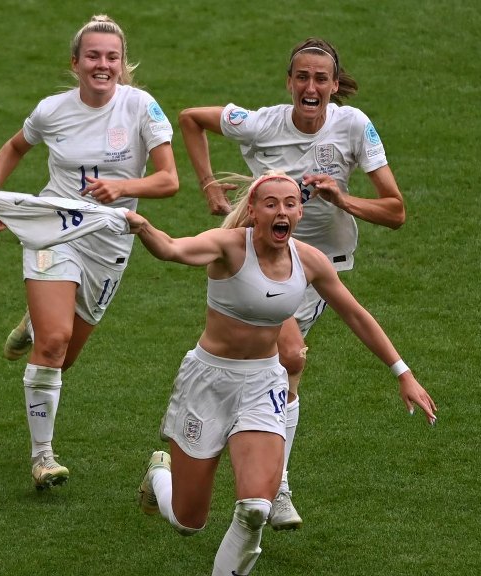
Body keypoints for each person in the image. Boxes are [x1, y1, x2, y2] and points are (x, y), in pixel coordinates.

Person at [129, 172, 436, 576]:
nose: (282, 211)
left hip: (263, 383)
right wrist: (144, 227)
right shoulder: (228, 247)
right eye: (271, 203)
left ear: (300, 212)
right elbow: (171, 249)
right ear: (253, 211)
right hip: (208, 382)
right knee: (189, 522)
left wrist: (403, 373)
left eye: (290, 203)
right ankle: (159, 475)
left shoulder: (309, 261)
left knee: (256, 508)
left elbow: (357, 316)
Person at [178, 37, 405, 528]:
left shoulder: (354, 126)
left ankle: (250, 470)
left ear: (334, 85)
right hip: (255, 260)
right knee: (289, 358)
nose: (311, 86)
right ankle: (272, 487)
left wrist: (343, 200)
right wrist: (209, 185)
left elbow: (395, 211)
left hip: (320, 266)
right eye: (302, 76)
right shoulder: (259, 123)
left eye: (321, 78)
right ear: (289, 82)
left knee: (283, 362)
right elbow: (191, 119)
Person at [0, 14, 178, 490]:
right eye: (93, 56)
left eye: (111, 57)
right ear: (76, 62)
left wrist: (123, 187)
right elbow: (14, 147)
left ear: (122, 63)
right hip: (53, 231)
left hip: (109, 242)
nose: (102, 65)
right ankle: (42, 457)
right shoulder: (52, 110)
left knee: (62, 357)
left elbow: (169, 180)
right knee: (52, 344)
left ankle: (35, 319)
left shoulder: (142, 108)